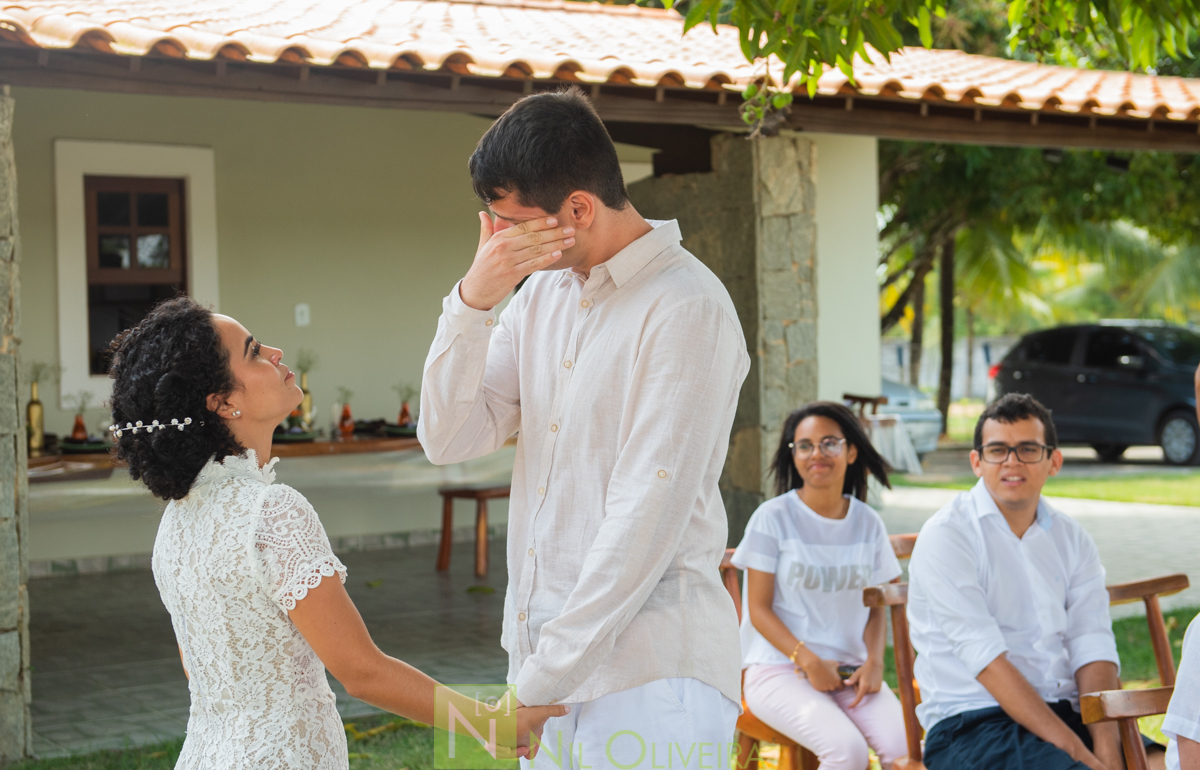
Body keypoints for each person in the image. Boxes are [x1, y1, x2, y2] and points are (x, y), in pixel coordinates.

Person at [418, 88, 750, 769]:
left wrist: (539, 686)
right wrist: (472, 301)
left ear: (577, 209)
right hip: (541, 668)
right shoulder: (538, 295)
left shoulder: (688, 308)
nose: (500, 241)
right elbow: (447, 439)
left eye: (512, 223)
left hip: (651, 676)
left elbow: (642, 519)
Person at [108, 297, 565, 769]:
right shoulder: (272, 512)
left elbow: (200, 664)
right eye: (253, 352)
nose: (276, 353)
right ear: (222, 402)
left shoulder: (177, 518)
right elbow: (362, 672)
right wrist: (491, 723)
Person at [908, 392, 1164, 770]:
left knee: (1174, 763)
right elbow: (987, 661)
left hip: (1071, 714)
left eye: (1028, 448)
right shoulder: (948, 535)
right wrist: (1080, 756)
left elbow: (1091, 643)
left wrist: (1107, 752)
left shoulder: (1071, 538)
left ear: (1053, 461)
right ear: (977, 461)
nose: (1012, 462)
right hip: (974, 725)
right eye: (997, 450)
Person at [730, 402, 907, 770]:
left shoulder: (867, 523)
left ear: (851, 451)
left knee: (904, 751)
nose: (817, 454)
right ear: (793, 456)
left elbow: (877, 604)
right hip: (778, 669)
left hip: (851, 671)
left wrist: (875, 662)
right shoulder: (772, 518)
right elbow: (758, 610)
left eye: (830, 443)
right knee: (847, 752)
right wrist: (808, 661)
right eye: (805, 445)